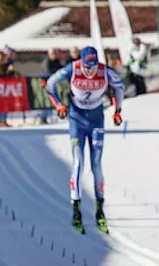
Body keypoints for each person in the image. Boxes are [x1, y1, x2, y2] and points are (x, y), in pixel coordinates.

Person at [45, 46, 125, 232]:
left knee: (96, 164)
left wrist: (118, 110)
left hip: (96, 119)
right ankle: (76, 210)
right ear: (81, 62)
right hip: (77, 120)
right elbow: (50, 84)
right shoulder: (73, 68)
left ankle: (100, 210)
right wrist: (59, 106)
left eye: (94, 66)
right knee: (78, 164)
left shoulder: (104, 70)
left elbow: (119, 86)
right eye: (87, 67)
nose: (91, 71)